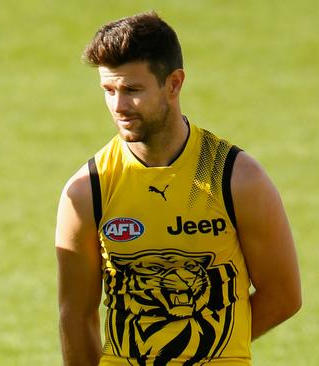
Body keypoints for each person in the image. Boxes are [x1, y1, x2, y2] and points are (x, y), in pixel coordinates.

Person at [55, 12, 301, 365]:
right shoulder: (87, 191)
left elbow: (283, 295)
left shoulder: (236, 178)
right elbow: (75, 316)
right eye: (109, 90)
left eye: (133, 90)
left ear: (173, 84)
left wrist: (197, 348)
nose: (119, 106)